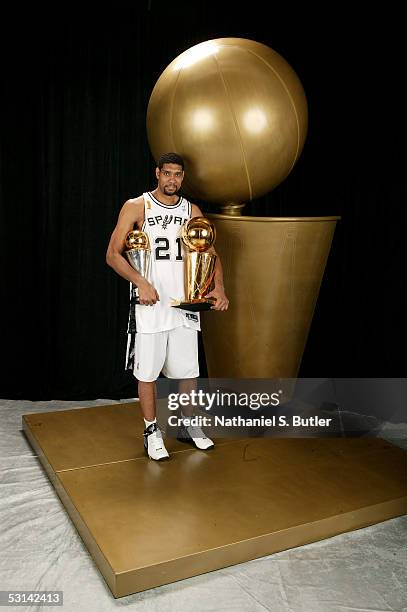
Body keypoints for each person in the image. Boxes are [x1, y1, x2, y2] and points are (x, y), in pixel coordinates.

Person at [106, 152, 229, 460]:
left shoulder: (191, 210)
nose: (172, 179)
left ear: (183, 178)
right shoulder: (137, 206)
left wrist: (218, 287)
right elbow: (112, 254)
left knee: (187, 371)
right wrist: (141, 282)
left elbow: (210, 253)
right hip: (151, 304)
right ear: (157, 173)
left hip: (184, 301)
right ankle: (151, 431)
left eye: (178, 175)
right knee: (147, 373)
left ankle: (188, 425)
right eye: (167, 173)